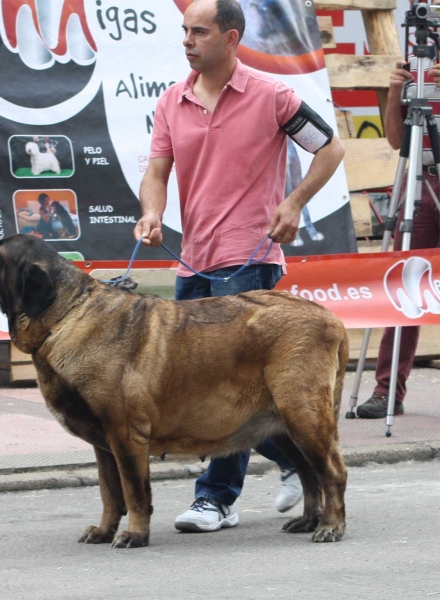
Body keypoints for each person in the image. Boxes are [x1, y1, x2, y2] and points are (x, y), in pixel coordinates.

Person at [134, 0, 345, 532]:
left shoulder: (273, 95)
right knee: (204, 389)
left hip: (249, 260)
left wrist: (294, 204)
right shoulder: (171, 100)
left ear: (230, 39)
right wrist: (152, 212)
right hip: (193, 262)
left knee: (232, 387)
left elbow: (331, 150)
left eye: (199, 32)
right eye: (184, 31)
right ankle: (300, 458)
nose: (187, 40)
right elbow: (157, 171)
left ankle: (216, 498)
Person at [357, 7, 440, 419]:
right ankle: (387, 392)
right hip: (418, 183)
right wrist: (395, 93)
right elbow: (394, 140)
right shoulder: (416, 73)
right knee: (405, 284)